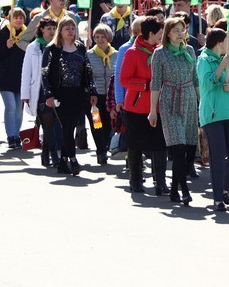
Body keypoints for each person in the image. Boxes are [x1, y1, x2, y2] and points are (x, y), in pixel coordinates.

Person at [149, 15, 200, 205]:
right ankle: (184, 189)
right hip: (170, 100)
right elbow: (155, 84)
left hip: (188, 100)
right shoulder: (160, 54)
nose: (180, 34)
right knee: (177, 147)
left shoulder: (189, 50)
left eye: (183, 30)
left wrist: (201, 103)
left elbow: (195, 78)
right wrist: (152, 110)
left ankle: (173, 189)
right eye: (176, 30)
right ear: (168, 33)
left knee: (188, 148)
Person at [120, 16, 169, 195]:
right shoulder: (132, 53)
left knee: (160, 144)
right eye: (159, 32)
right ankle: (135, 180)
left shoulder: (162, 51)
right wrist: (147, 85)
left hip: (158, 106)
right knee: (136, 145)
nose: (162, 35)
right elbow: (124, 79)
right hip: (136, 107)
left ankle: (161, 181)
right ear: (150, 33)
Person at [41, 18, 96, 175]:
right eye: (67, 28)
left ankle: (63, 162)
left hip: (78, 93)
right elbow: (44, 74)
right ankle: (73, 159)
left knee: (70, 127)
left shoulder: (80, 47)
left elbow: (88, 70)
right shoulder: (52, 49)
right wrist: (48, 94)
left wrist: (91, 91)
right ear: (61, 30)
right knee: (66, 126)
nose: (71, 31)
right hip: (60, 94)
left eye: (73, 28)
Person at [197, 27, 229, 211]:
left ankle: (224, 188)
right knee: (217, 155)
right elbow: (207, 83)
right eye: (227, 40)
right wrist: (221, 67)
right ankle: (217, 198)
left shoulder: (227, 61)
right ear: (218, 42)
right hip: (213, 114)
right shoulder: (204, 59)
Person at [22, 17, 59, 165]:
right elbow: (26, 72)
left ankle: (45, 154)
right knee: (48, 124)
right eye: (48, 28)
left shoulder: (58, 46)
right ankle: (54, 156)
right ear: (41, 29)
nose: (51, 31)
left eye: (53, 28)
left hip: (56, 90)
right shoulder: (33, 47)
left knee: (51, 124)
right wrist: (25, 95)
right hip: (40, 91)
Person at [0, 8, 28, 150]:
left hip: (21, 77)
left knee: (19, 108)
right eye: (16, 18)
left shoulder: (27, 34)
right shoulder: (2, 34)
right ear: (10, 19)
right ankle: (11, 136)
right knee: (11, 106)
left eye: (21, 18)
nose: (18, 20)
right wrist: (6, 47)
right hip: (6, 76)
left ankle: (17, 135)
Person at [86, 23, 117, 164]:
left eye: (102, 36)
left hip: (110, 96)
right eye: (96, 37)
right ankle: (101, 150)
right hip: (95, 97)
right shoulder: (89, 55)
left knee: (109, 123)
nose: (100, 40)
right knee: (96, 123)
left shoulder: (116, 54)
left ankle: (105, 145)